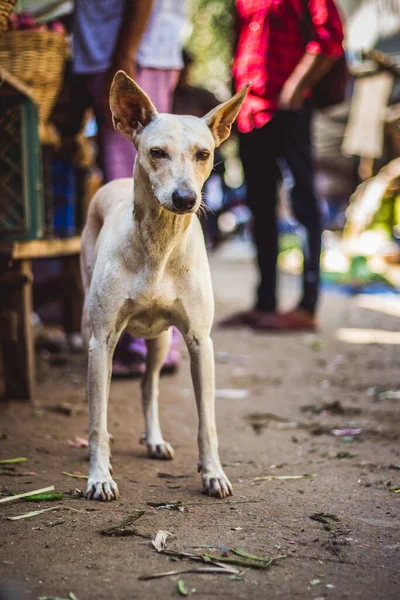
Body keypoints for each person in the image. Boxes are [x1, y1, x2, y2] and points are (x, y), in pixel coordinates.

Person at [70, 0, 188, 374]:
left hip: (132, 57)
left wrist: (124, 56)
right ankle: (149, 345)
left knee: (136, 196)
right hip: (125, 54)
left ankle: (145, 346)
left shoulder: (128, 60)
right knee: (137, 195)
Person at [220, 0, 345, 331]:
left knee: (303, 203)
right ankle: (265, 304)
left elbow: (330, 37)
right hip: (250, 113)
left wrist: (295, 86)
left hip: (289, 108)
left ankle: (307, 306)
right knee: (260, 206)